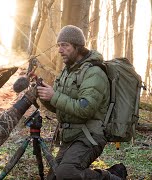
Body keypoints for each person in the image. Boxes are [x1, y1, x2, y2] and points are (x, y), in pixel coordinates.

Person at [36, 25, 127, 179]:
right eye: (59, 45)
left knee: (66, 174)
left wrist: (54, 96)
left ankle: (112, 177)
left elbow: (85, 109)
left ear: (77, 47)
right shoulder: (67, 71)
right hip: (70, 136)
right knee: (54, 177)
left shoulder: (94, 72)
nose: (60, 50)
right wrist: (43, 94)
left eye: (65, 45)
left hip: (90, 135)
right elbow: (58, 105)